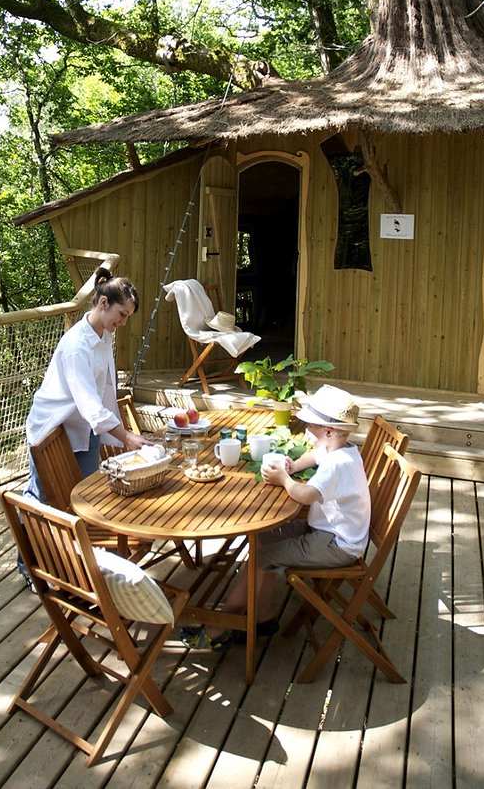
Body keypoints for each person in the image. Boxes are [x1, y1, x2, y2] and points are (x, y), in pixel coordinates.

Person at [181, 384, 370, 650]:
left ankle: (219, 625)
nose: (307, 433)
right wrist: (295, 465)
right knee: (263, 536)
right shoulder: (342, 449)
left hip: (336, 545)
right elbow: (316, 454)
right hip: (328, 532)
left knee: (262, 557)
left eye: (311, 429)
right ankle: (263, 616)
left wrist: (284, 479)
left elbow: (303, 496)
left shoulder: (338, 466)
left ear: (328, 431)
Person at [23, 267, 150, 500]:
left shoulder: (104, 333)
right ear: (103, 303)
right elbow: (89, 404)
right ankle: (27, 536)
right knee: (39, 496)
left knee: (86, 495)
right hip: (51, 427)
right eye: (122, 314)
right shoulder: (76, 346)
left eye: (127, 317)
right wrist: (126, 437)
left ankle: (79, 536)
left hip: (84, 427)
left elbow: (102, 392)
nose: (123, 322)